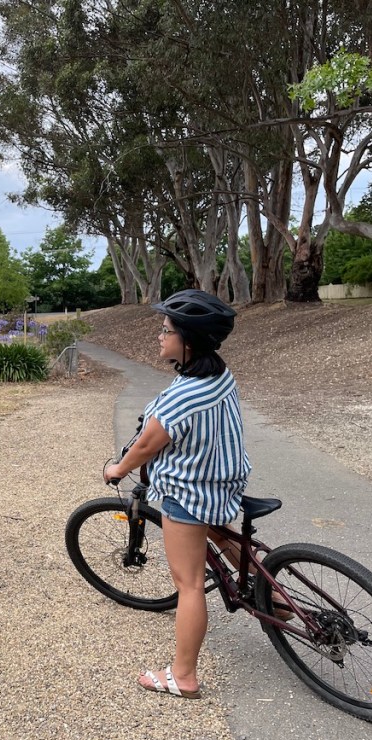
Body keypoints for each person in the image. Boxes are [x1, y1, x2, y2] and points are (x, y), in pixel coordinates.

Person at [103, 289, 250, 700]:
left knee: (188, 584)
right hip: (222, 479)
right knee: (219, 533)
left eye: (166, 331)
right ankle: (269, 590)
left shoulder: (184, 397)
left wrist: (116, 469)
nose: (159, 337)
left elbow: (146, 447)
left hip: (191, 493)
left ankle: (182, 676)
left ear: (190, 341)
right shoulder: (216, 373)